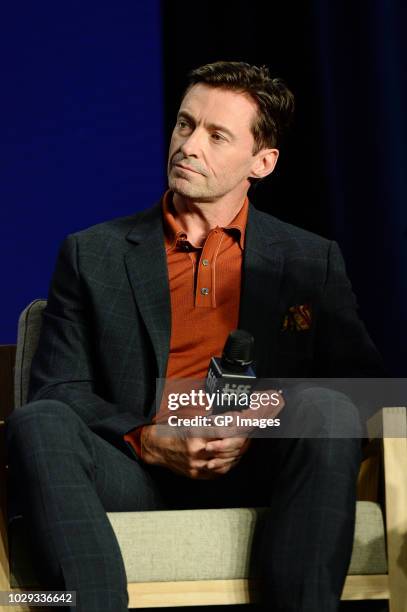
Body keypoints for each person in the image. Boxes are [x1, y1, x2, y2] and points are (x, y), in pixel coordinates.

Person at [6, 61, 384, 611]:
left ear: (263, 162)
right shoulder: (94, 253)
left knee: (328, 408)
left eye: (216, 134)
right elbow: (59, 387)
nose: (188, 145)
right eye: (185, 124)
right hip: (137, 471)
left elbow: (365, 389)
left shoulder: (309, 259)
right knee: (37, 420)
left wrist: (262, 417)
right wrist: (149, 437)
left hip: (261, 466)